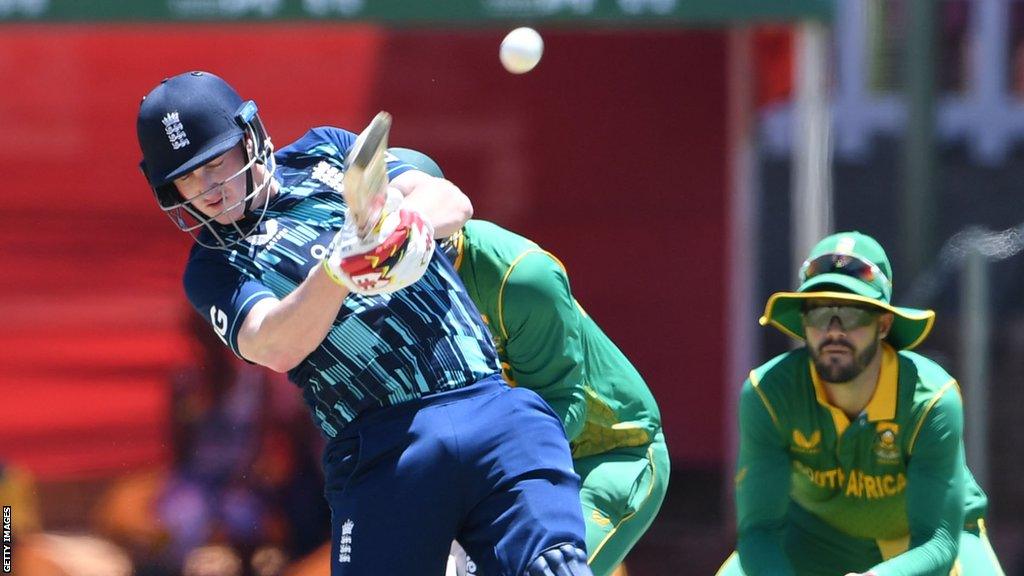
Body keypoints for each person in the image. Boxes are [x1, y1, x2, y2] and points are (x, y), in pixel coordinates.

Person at [135, 70, 593, 576]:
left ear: (249, 137)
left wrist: (397, 234)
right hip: (384, 447)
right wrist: (339, 267)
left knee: (556, 569)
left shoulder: (324, 150)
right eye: (187, 176)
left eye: (215, 162)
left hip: (491, 408)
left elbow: (450, 201)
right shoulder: (212, 269)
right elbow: (275, 342)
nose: (207, 189)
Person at [389, 149, 669, 576]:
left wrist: (477, 497)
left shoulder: (519, 277)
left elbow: (563, 405)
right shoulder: (377, 288)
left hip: (607, 452)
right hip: (504, 462)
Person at [716, 232, 1005, 576]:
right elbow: (758, 533)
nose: (834, 332)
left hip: (922, 547)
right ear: (804, 323)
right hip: (814, 538)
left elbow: (939, 541)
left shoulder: (932, 401)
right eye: (821, 314)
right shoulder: (767, 395)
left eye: (851, 314)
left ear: (883, 324)